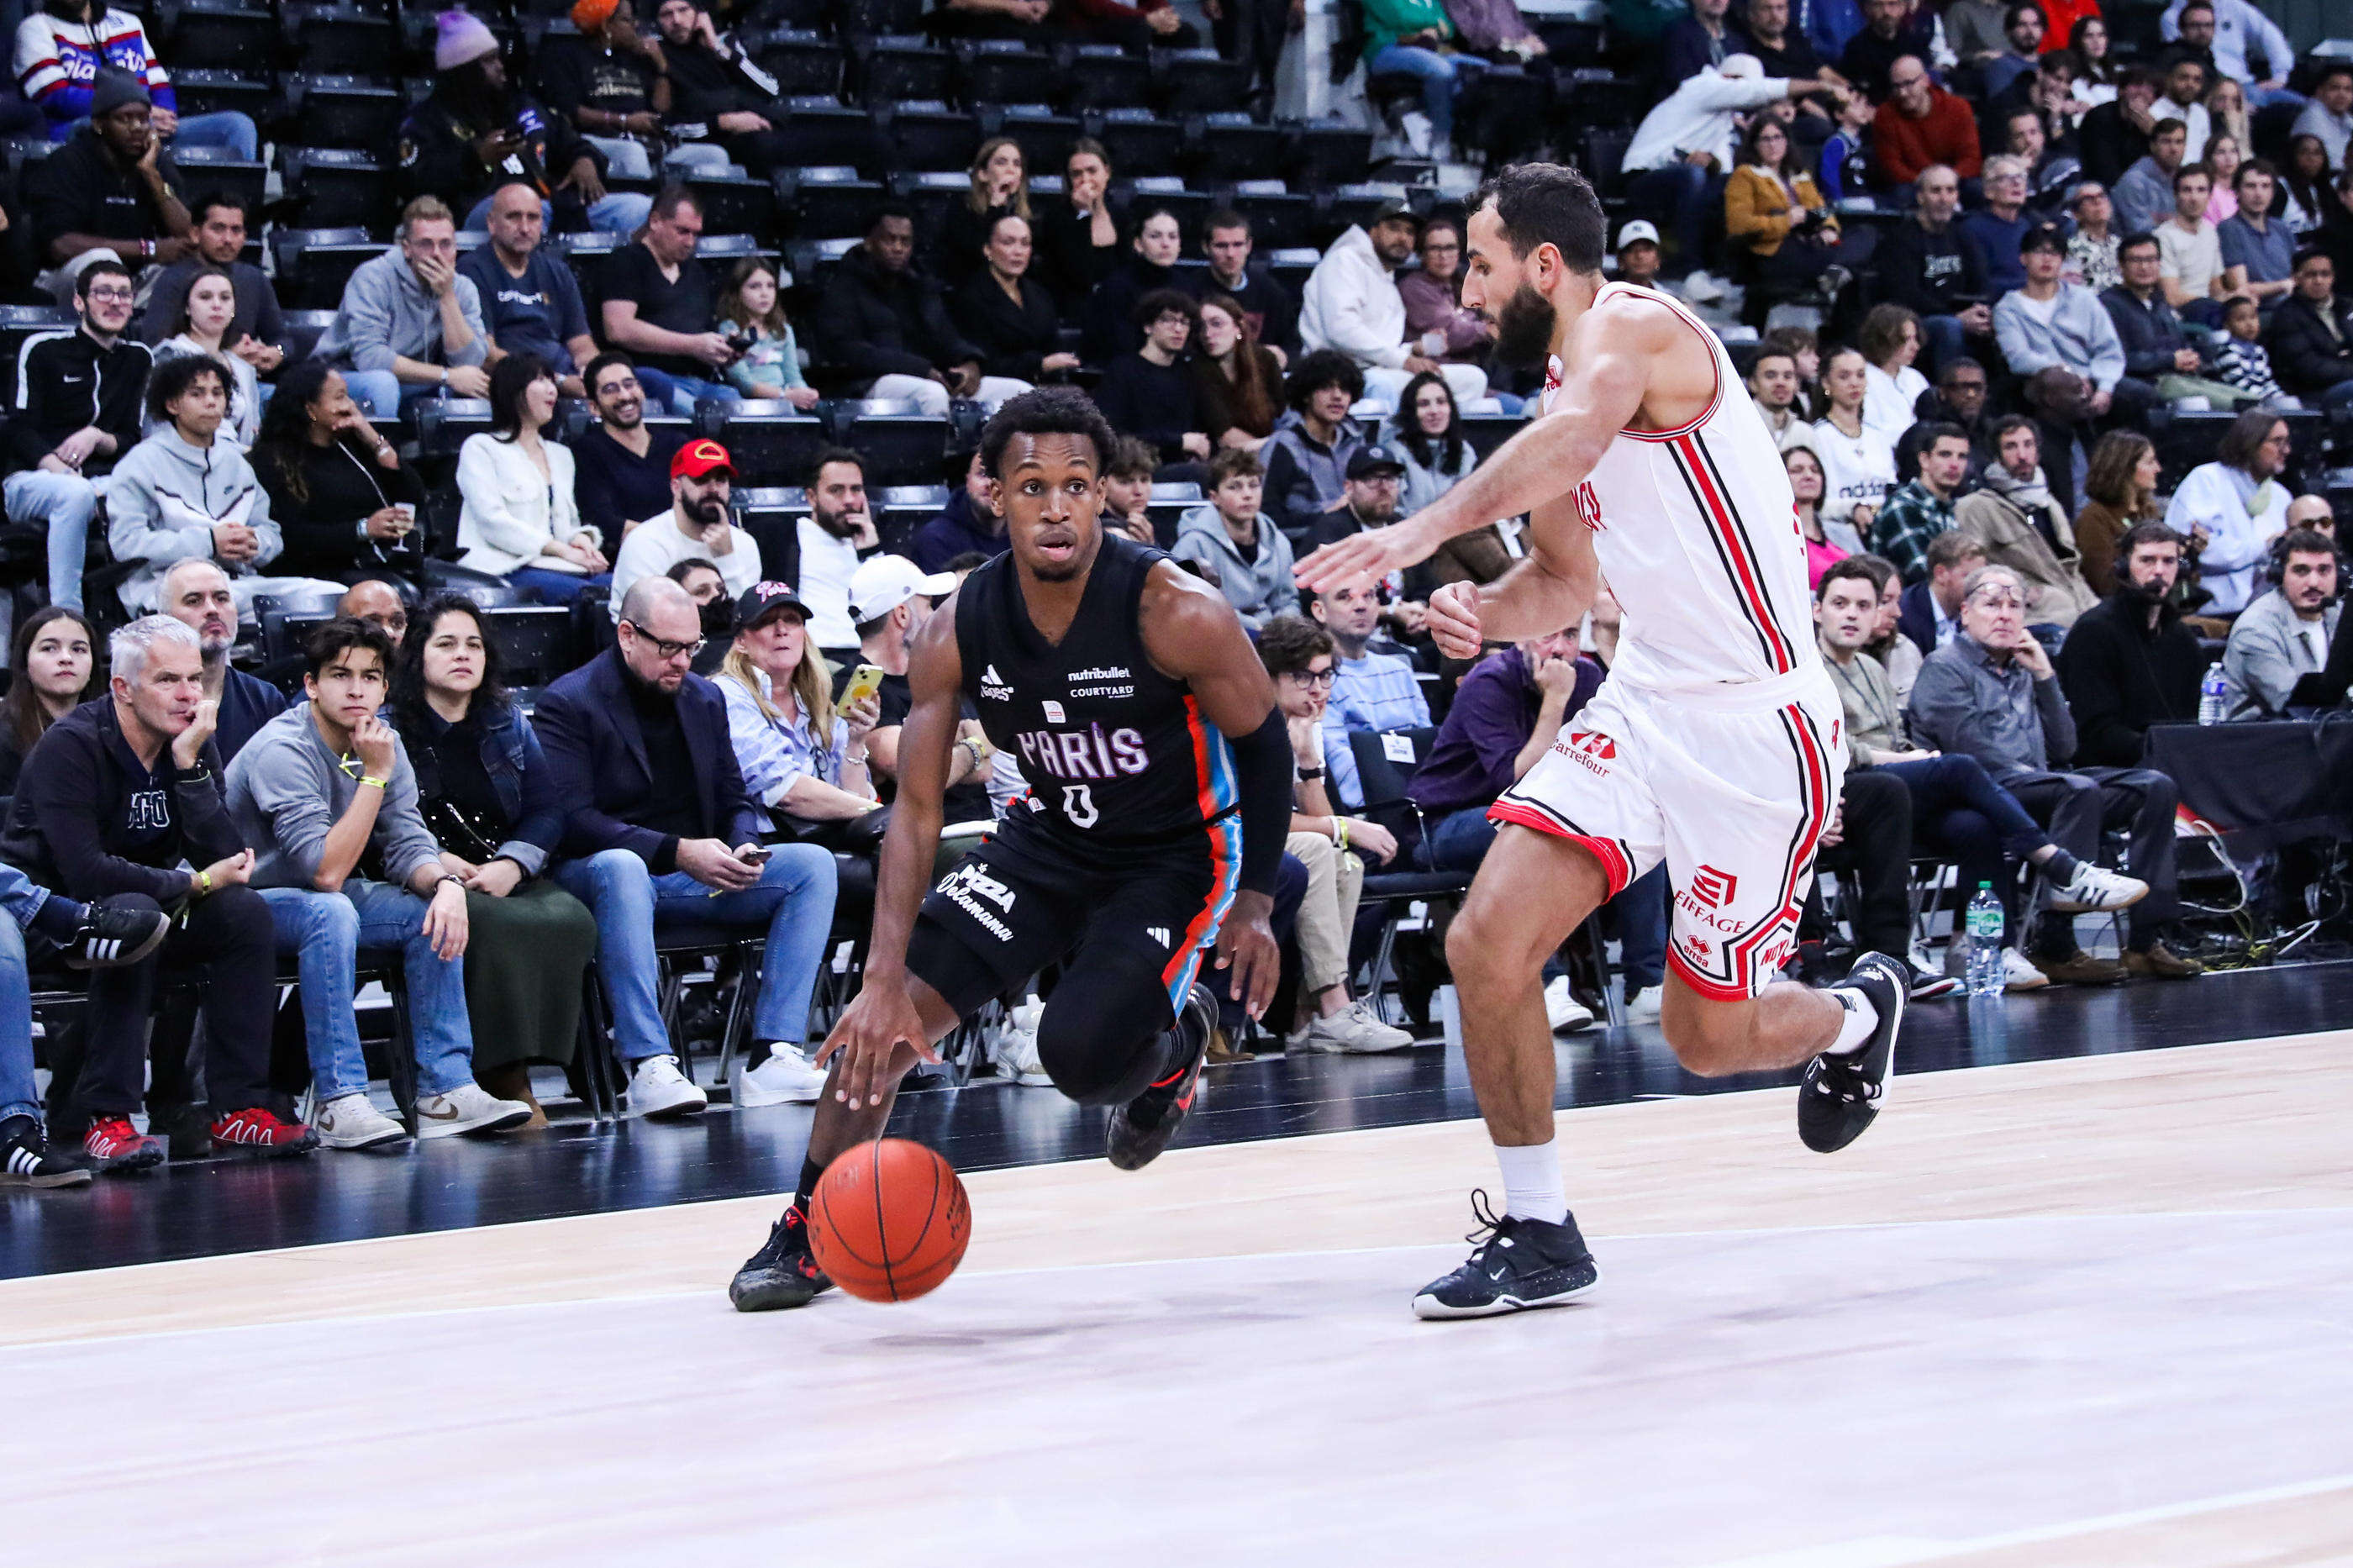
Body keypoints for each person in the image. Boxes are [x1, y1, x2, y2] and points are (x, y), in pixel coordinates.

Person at [1297, 162, 1910, 1320]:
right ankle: (1540, 1229)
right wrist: (1482, 616)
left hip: (1758, 727)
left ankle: (1860, 1010)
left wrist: (1419, 529)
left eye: (1478, 265)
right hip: (1642, 702)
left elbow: (1583, 435)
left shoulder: (1635, 328)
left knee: (1707, 1036)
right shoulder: (1550, 400)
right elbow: (1560, 584)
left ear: (1541, 265)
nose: (1464, 291)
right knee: (1486, 942)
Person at [729, 387, 1292, 1311]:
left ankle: (1173, 1048)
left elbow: (1265, 750)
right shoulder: (958, 627)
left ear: (1105, 493)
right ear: (994, 495)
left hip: (1171, 857)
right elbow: (912, 811)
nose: (1057, 506)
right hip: (1043, 842)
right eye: (1033, 486)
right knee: (889, 1023)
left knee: (1079, 1061)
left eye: (1076, 485)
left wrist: (1258, 901)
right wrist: (878, 979)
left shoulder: (1174, 610)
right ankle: (806, 1228)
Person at [0, 615, 311, 1169]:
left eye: (194, 679)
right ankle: (108, 1119)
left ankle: (239, 1108)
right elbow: (86, 874)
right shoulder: (70, 748)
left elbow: (232, 857)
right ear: (122, 688)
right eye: (169, 680)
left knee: (244, 913)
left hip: (148, 911)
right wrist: (188, 883)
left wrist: (190, 769)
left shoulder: (189, 739)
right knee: (136, 916)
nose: (189, 693)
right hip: (56, 924)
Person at [539, 576, 841, 1119]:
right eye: (669, 647)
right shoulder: (570, 701)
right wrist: (679, 850)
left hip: (693, 872)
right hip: (603, 875)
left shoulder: (703, 697)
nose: (682, 661)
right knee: (622, 866)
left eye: (693, 647)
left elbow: (734, 797)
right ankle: (648, 1062)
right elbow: (573, 821)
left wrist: (744, 846)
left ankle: (775, 1052)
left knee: (811, 866)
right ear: (627, 635)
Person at [228, 618, 537, 1150]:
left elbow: (406, 840)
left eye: (370, 677)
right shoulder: (285, 749)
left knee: (428, 914)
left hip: (322, 896)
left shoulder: (381, 740)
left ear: (385, 688)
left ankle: (446, 1091)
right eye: (339, 675)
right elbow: (323, 870)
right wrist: (373, 774)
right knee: (332, 912)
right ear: (311, 685)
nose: (355, 689)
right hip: (246, 900)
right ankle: (339, 1100)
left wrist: (443, 885)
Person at [1814, 559, 2140, 991]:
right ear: (1817, 610)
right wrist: (1907, 761)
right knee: (1960, 768)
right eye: (1840, 604)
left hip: (1895, 786)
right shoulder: (1804, 668)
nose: (1852, 614)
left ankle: (1989, 949)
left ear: (1878, 615)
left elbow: (1899, 738)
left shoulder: (1873, 669)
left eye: (1863, 605)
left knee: (1975, 825)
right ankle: (2062, 867)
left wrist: (1912, 756)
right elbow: (1824, 747)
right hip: (1837, 791)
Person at [1908, 563, 2198, 981]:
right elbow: (1975, 754)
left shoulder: (2025, 665)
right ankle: (2054, 939)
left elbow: (2066, 747)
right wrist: (2045, 773)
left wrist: (2045, 677)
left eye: (2015, 605)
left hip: (2043, 783)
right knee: (2076, 788)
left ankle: (2147, 937)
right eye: (1992, 604)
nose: (2005, 614)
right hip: (1985, 789)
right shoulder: (1945, 666)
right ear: (1965, 613)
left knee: (2154, 787)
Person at [390, 593, 600, 1128]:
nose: (463, 655)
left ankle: (541, 1063)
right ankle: (502, 1075)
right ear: (418, 656)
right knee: (486, 923)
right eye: (447, 644)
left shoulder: (506, 720)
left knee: (569, 916)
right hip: (424, 875)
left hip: (502, 868)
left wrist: (514, 864)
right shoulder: (388, 727)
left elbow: (548, 809)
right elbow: (379, 821)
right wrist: (438, 863)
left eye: (474, 645)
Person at [108, 354, 340, 617]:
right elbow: (127, 544)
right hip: (165, 587)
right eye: (197, 394)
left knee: (334, 597)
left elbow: (271, 533)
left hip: (236, 584)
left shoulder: (237, 463)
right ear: (172, 404)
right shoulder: (141, 463)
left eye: (218, 393)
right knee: (221, 603)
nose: (211, 402)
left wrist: (255, 545)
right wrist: (209, 542)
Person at [396, 8, 647, 237]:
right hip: (479, 214)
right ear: (464, 71)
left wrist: (585, 161)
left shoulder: (521, 107)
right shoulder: (424, 120)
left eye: (498, 58)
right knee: (528, 217)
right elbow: (415, 182)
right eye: (489, 61)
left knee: (640, 210)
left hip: (550, 204)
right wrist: (477, 160)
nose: (500, 67)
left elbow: (572, 143)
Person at [3, 258, 147, 611]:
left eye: (124, 294)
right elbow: (18, 429)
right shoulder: (43, 349)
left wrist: (98, 436)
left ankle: (145, 609)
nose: (115, 302)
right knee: (76, 494)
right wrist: (61, 469)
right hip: (31, 480)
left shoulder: (138, 358)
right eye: (103, 292)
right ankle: (67, 614)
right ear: (79, 301)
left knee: (153, 488)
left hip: (106, 480)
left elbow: (131, 436)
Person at [715, 580, 882, 850]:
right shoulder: (728, 694)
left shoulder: (816, 701)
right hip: (760, 845)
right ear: (741, 642)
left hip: (826, 838)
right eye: (766, 622)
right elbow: (787, 793)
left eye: (792, 621)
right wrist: (880, 812)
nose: (782, 631)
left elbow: (853, 800)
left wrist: (856, 741)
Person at [820, 203, 1021, 414]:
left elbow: (946, 336)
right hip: (869, 383)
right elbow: (850, 353)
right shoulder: (844, 287)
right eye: (890, 239)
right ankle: (940, 448)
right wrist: (920, 369)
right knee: (931, 394)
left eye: (905, 241)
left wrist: (970, 363)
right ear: (870, 243)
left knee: (1020, 393)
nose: (898, 248)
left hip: (932, 377)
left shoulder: (920, 284)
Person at [313, 196, 492, 421]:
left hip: (415, 382)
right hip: (343, 375)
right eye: (426, 244)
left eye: (445, 244)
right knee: (383, 384)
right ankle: (380, 454)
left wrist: (447, 297)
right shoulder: (373, 277)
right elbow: (370, 359)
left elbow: (470, 362)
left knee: (479, 386)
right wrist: (447, 375)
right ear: (407, 248)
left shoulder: (462, 288)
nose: (437, 254)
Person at [250, 360, 428, 587]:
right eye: (340, 397)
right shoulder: (273, 458)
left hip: (386, 560)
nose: (351, 406)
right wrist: (363, 529)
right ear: (310, 409)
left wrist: (373, 439)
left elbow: (414, 499)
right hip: (323, 572)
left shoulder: (354, 443)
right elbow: (292, 536)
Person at [1299, 200, 1488, 407]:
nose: (1402, 238)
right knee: (1383, 385)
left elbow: (1381, 347)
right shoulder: (1344, 261)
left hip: (1380, 370)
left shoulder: (1387, 279)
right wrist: (1402, 360)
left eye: (1409, 232)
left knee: (1473, 379)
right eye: (1394, 228)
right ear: (1372, 230)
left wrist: (1413, 349)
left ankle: (1439, 437)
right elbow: (1341, 330)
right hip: (1337, 375)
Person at [22, 71, 189, 304]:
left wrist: (152, 176)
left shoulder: (154, 163)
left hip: (133, 279)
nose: (137, 128)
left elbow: (187, 236)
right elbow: (61, 246)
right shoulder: (69, 162)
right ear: (99, 124)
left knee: (189, 275)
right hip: (66, 280)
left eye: (143, 119)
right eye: (125, 119)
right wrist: (147, 250)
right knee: (104, 261)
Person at [455, 353, 611, 602]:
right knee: (584, 597)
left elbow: (566, 524)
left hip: (558, 565)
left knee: (624, 588)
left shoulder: (561, 455)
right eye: (540, 380)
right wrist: (560, 549)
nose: (552, 389)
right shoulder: (480, 448)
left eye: (551, 381)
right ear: (513, 391)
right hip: (504, 567)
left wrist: (580, 540)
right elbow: (492, 522)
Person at [2056, 521, 2207, 766]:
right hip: (2113, 772)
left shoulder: (2182, 639)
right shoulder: (2094, 632)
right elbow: (2096, 732)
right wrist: (2166, 749)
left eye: (2168, 561)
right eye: (2147, 560)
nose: (2159, 571)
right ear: (2125, 567)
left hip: (2172, 763)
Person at [13, 0, 254, 152]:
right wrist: (136, 115)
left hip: (147, 124)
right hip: (83, 133)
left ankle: (231, 226)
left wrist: (161, 118)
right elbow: (56, 97)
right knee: (101, 127)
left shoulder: (129, 23)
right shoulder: (35, 28)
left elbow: (160, 86)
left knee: (237, 126)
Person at [536, 0, 720, 182]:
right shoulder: (568, 55)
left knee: (713, 155)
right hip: (597, 139)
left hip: (649, 142)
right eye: (627, 20)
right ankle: (645, 208)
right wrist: (625, 121)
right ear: (606, 25)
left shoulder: (637, 57)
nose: (636, 25)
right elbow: (572, 111)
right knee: (633, 153)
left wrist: (661, 66)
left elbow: (661, 110)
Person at [600, 187, 740, 416]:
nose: (689, 242)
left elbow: (704, 332)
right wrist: (693, 345)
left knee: (745, 414)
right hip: (650, 381)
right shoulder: (625, 262)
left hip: (703, 383)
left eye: (696, 234)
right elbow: (618, 329)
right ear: (655, 222)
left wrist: (723, 350)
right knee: (702, 417)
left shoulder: (695, 272)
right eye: (682, 231)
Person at [1956, 414, 2097, 635]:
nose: (2022, 455)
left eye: (2028, 445)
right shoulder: (1976, 507)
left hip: (2079, 600)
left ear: (2038, 451)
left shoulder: (2049, 503)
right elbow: (1973, 572)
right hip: (2030, 613)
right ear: (1997, 456)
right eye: (2011, 447)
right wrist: (2017, 591)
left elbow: (2072, 567)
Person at [459, 182, 600, 398]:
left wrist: (594, 375)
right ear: (492, 223)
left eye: (533, 218)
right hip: (511, 384)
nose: (525, 228)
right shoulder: (472, 271)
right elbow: (485, 353)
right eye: (514, 217)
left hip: (564, 378)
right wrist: (555, 380)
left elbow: (581, 345)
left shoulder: (557, 271)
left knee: (651, 384)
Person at [1307, 571, 1428, 812]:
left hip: (1425, 801)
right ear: (1320, 611)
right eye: (1345, 597)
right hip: (1373, 812)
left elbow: (1431, 747)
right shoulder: (1317, 681)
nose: (1361, 606)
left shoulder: (1400, 671)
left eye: (1369, 596)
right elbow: (1341, 770)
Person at [152, 559, 293, 762]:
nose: (212, 609)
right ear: (164, 618)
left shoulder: (264, 698)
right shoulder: (148, 701)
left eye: (222, 598)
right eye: (194, 600)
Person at [609, 437, 763, 620]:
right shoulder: (645, 542)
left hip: (724, 645)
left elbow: (747, 621)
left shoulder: (744, 544)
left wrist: (726, 558)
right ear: (676, 487)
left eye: (721, 480)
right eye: (701, 480)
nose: (713, 489)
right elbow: (650, 621)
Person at [1994, 221, 2129, 424]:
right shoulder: (2008, 308)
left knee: (2139, 396)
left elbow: (2109, 350)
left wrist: (2105, 388)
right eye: (2039, 251)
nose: (2047, 258)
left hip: (2091, 377)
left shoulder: (2084, 299)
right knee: (2059, 396)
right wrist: (2069, 375)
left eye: (2055, 253)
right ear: (2024, 258)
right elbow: (2019, 358)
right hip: (2043, 381)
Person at [2163, 409, 2292, 617]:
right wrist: (2264, 547)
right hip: (2213, 611)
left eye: (2287, 442)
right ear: (2251, 442)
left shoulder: (2281, 496)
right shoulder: (2206, 480)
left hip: (2271, 611)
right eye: (2277, 441)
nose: (2286, 450)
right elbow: (2202, 552)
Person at [139, 194, 286, 377]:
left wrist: (277, 352)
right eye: (218, 229)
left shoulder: (255, 279)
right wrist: (227, 358)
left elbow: (282, 338)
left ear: (244, 236)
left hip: (247, 379)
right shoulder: (172, 279)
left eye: (236, 230)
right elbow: (156, 348)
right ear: (195, 234)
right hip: (188, 382)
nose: (228, 239)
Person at [2103, 230, 2247, 408]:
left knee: (2251, 401)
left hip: (2185, 378)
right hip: (2152, 383)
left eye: (2150, 260)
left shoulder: (2159, 302)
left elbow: (2178, 344)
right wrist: (2170, 360)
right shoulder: (2109, 305)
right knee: (2239, 406)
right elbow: (2118, 359)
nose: (2144, 267)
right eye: (2136, 260)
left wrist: (2191, 357)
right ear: (2121, 266)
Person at [649, 0, 795, 171]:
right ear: (657, 21)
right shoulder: (656, 53)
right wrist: (722, 122)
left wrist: (719, 48)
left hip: (753, 129)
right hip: (705, 140)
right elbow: (665, 125)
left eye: (683, 10)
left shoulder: (724, 42)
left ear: (699, 13)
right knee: (762, 147)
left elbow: (771, 90)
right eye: (667, 14)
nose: (677, 20)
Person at [1726, 115, 1850, 302]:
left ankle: (1833, 273)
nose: (1773, 144)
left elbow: (1821, 209)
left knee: (1860, 239)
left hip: (1809, 242)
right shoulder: (1745, 176)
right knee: (1846, 269)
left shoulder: (1800, 175)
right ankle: (1832, 273)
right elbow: (1739, 225)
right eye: (1765, 139)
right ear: (1755, 144)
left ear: (1786, 141)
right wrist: (1787, 221)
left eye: (1778, 137)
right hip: (1771, 251)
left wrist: (1828, 228)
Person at [2221, 528, 2342, 717]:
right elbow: (2295, 704)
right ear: (2280, 575)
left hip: (2328, 733)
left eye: (2324, 570)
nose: (2314, 582)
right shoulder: (2255, 629)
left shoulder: (2341, 616)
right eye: (2301, 571)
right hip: (2264, 739)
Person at [572, 353, 683, 557]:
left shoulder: (677, 444)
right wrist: (669, 543)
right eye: (610, 390)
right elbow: (604, 520)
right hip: (628, 557)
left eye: (629, 385)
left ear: (641, 390)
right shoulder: (587, 451)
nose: (624, 396)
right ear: (594, 407)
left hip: (685, 554)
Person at [950, 213, 1076, 389]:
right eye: (1008, 243)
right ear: (987, 249)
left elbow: (1052, 345)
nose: (1018, 251)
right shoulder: (971, 296)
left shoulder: (1039, 295)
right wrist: (1039, 364)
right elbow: (983, 361)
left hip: (1042, 383)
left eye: (1025, 244)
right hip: (995, 385)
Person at [1172, 449, 1297, 629]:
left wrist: (1281, 630)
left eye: (1253, 485)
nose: (1247, 494)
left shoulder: (1278, 542)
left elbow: (1287, 602)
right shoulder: (1193, 545)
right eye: (1234, 487)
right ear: (1215, 497)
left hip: (1273, 638)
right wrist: (1254, 626)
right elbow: (1195, 607)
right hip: (1218, 634)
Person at [1095, 290, 1213, 469]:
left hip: (1184, 465)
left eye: (1184, 322)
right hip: (1135, 466)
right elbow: (1112, 434)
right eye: (1168, 320)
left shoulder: (1189, 372)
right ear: (1148, 326)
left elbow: (1201, 426)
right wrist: (1179, 442)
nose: (1178, 329)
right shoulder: (1122, 371)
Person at [145, 266, 258, 451]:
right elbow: (158, 429)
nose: (216, 305)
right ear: (187, 308)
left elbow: (252, 433)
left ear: (234, 308)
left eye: (225, 298)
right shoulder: (169, 357)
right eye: (205, 297)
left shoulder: (243, 369)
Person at [1261, 350, 1366, 540]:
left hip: (1356, 542)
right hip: (1303, 546)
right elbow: (1266, 520)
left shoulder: (1356, 440)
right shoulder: (1283, 446)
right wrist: (1328, 517)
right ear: (1306, 395)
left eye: (1344, 389)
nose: (1337, 396)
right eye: (1327, 388)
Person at [1359, 0, 1488, 155]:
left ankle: (1471, 142)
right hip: (1386, 49)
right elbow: (1399, 18)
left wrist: (1430, 29)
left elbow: (1449, 28)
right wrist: (1434, 25)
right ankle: (1440, 139)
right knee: (1441, 70)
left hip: (1427, 50)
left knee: (1483, 70)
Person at [787, 447, 877, 657]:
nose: (848, 500)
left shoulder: (870, 542)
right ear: (812, 497)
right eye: (836, 490)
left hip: (868, 657)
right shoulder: (788, 536)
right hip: (815, 656)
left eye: (856, 489)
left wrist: (872, 551)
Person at [0, 607, 96, 794]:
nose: (66, 658)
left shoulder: (112, 730)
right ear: (24, 663)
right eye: (49, 648)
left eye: (78, 649)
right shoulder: (4, 735)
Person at [1078, 205, 1185, 366]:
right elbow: (1118, 348)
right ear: (1138, 244)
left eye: (1172, 237)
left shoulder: (1187, 286)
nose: (1165, 244)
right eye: (1155, 236)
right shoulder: (1116, 287)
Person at [1189, 210, 1298, 364]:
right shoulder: (1189, 291)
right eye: (1221, 246)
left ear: (1249, 246)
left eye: (1238, 245)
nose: (1231, 254)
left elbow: (1292, 345)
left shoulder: (1271, 291)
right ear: (1206, 247)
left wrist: (1283, 356)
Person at [1399, 217, 1499, 385]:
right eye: (1434, 249)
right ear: (1422, 254)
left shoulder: (1464, 282)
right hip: (1435, 377)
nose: (1443, 256)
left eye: (1450, 248)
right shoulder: (1413, 287)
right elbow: (1451, 335)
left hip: (1477, 372)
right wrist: (1490, 328)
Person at [1869, 422, 1970, 584]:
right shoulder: (1903, 506)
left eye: (1962, 456)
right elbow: (1925, 576)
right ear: (1924, 460)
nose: (1954, 464)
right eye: (1945, 454)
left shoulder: (1953, 509)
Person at [1812, 345, 1896, 539]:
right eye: (1844, 376)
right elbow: (1816, 503)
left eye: (1860, 375)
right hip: (1839, 531)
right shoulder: (1817, 436)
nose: (1854, 383)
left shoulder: (1878, 436)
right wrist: (1854, 508)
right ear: (1826, 382)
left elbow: (1891, 489)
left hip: (1883, 529)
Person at [1034, 139, 1123, 317]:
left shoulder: (1120, 215)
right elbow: (1080, 275)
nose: (1085, 180)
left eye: (1092, 171)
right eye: (1076, 174)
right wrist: (1083, 213)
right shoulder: (1056, 218)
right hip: (1073, 310)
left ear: (1107, 172)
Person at [714, 256, 816, 408]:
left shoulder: (783, 330)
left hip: (786, 401)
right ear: (738, 292)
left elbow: (792, 375)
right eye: (755, 286)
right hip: (749, 404)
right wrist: (785, 396)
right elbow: (744, 383)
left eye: (770, 286)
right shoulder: (730, 329)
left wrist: (805, 394)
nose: (765, 293)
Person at [1193, 292, 1285, 457]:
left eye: (1217, 324)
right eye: (1202, 327)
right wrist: (1275, 447)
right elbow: (1225, 436)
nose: (1207, 334)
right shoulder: (1197, 367)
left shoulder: (1265, 359)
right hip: (1226, 459)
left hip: (1267, 449)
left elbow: (1283, 413)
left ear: (1238, 327)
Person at [2262, 249, 2353, 415]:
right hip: (2312, 392)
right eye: (2311, 275)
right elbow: (2308, 368)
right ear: (2297, 278)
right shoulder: (2286, 315)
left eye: (2325, 274)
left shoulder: (2347, 307)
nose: (2319, 280)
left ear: (2333, 277)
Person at [2072, 430, 2161, 598]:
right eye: (2150, 462)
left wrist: (2187, 554)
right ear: (2125, 468)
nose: (2158, 468)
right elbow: (2104, 585)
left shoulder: (2148, 511)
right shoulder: (2094, 518)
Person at [2161, 0, 2297, 111]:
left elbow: (2270, 36)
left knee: (2304, 107)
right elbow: (2184, 60)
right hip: (2215, 90)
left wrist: (2280, 75)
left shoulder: (2234, 6)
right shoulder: (2172, 17)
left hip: (2249, 84)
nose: (2203, 30)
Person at [1871, 55, 1982, 191]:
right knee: (1901, 193)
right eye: (1897, 86)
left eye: (1909, 84)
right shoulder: (1885, 114)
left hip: (1955, 180)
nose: (1902, 93)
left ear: (1925, 80)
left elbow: (1971, 158)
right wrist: (1926, 182)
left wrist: (1946, 182)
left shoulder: (1958, 108)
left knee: (1976, 189)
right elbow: (1891, 166)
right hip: (1914, 183)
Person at [936, 137, 1029, 292]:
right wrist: (995, 207)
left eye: (1017, 164)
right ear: (983, 174)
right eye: (1001, 162)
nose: (1011, 169)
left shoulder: (1025, 217)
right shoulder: (961, 210)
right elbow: (978, 255)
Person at [1388, 370, 1476, 518]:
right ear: (1411, 412)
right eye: (1424, 404)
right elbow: (1395, 512)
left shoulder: (1464, 450)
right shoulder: (1396, 453)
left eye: (1441, 402)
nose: (1434, 411)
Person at [1896, 528, 1989, 656]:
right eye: (1970, 577)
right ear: (1941, 574)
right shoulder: (1905, 617)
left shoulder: (1974, 612)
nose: (1980, 587)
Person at [913, 450, 1007, 573]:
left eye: (1001, 475)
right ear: (968, 481)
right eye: (982, 474)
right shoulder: (937, 539)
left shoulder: (1029, 535)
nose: (990, 483)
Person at [2219, 159, 2295, 309]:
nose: (2259, 194)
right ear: (2236, 191)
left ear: (2273, 192)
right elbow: (2241, 288)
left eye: (2265, 186)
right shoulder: (2229, 229)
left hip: (2294, 307)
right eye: (2250, 186)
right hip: (2261, 311)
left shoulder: (2281, 228)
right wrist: (2283, 285)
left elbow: (2299, 275)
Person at [1961, 155, 2035, 296]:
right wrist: (2033, 284)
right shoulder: (1973, 229)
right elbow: (1981, 284)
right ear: (1989, 191)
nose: (2017, 183)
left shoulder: (2028, 226)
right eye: (2007, 178)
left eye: (2021, 177)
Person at [1857, 303, 1927, 453]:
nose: (1915, 346)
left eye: (1915, 338)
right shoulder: (1863, 378)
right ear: (1883, 340)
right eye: (1906, 339)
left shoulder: (1915, 378)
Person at [2079, 66, 2158, 190]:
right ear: (2121, 90)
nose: (2142, 92)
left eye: (2149, 89)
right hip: (2099, 186)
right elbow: (2103, 168)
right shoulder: (2100, 116)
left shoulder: (2149, 125)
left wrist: (2153, 136)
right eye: (2137, 85)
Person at [1784, 439, 1850, 587]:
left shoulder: (1845, 532)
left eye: (1815, 470)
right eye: (1797, 470)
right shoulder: (1778, 538)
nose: (1808, 475)